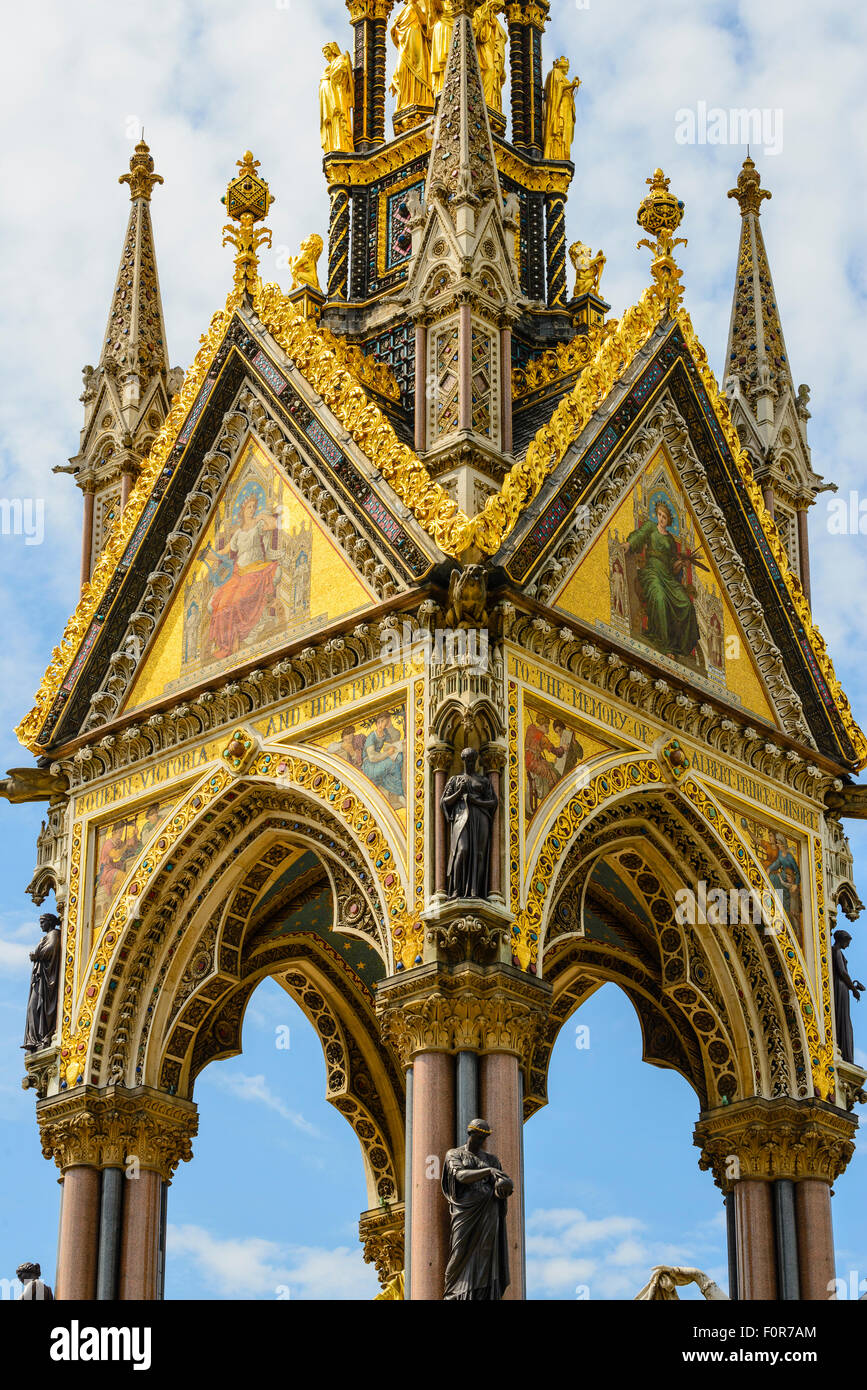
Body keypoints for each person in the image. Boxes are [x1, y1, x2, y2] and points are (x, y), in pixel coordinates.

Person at [441, 1119, 512, 1300]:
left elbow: (501, 1184)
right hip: (465, 1211)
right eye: (478, 1137)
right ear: (470, 1134)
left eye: (484, 1138)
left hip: (489, 1210)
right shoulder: (454, 1154)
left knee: (486, 1252)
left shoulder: (492, 1159)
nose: (481, 1141)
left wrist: (504, 1187)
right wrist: (488, 1171)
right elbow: (461, 1176)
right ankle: (453, 1292)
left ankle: (484, 1293)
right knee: (459, 1251)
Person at [208, 493, 282, 660]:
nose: (252, 510)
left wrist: (262, 515)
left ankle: (240, 637)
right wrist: (205, 555)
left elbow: (274, 524)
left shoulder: (258, 526)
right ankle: (226, 644)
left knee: (236, 601)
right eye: (249, 507)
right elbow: (223, 553)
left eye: (254, 507)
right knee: (221, 604)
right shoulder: (238, 534)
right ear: (243, 510)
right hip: (239, 574)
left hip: (255, 570)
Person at [627, 500, 702, 662]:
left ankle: (681, 646)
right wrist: (628, 544)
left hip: (667, 576)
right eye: (660, 515)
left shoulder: (670, 541)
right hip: (652, 571)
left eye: (665, 517)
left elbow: (673, 567)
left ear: (669, 521)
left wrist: (682, 563)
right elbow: (638, 536)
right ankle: (664, 645)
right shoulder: (650, 527)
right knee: (659, 597)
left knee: (686, 604)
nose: (661, 519)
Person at [441, 747, 498, 898]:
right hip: (461, 818)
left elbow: (493, 802)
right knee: (462, 850)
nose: (470, 763)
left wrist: (476, 801)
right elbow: (444, 803)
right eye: (468, 760)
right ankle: (456, 890)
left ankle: (475, 892)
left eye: (473, 760)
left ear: (476, 760)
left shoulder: (483, 781)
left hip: (480, 818)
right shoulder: (455, 780)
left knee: (479, 854)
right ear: (463, 760)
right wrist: (458, 792)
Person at [21, 916, 61, 1054]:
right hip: (40, 979)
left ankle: (42, 1037)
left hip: (46, 980)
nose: (40, 926)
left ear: (50, 922)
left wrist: (37, 955)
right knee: (32, 1008)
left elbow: (51, 948)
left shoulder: (54, 934)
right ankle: (34, 1040)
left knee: (36, 1007)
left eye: (42, 922)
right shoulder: (48, 936)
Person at [390, 0, 433, 110]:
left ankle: (423, 100)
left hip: (418, 42)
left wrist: (415, 6)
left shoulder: (423, 3)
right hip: (404, 46)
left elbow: (427, 25)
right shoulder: (403, 10)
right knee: (400, 71)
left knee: (419, 71)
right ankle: (405, 102)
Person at [832, 929, 864, 1064]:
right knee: (844, 1020)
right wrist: (853, 990)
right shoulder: (836, 951)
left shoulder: (836, 951)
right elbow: (843, 973)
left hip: (842, 987)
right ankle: (847, 1057)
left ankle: (847, 1055)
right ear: (842, 940)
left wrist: (854, 986)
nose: (848, 945)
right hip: (841, 988)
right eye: (848, 942)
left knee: (845, 1020)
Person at [362, 711, 406, 809]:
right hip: (369, 766)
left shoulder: (384, 734)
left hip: (378, 762)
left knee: (399, 758)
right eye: (380, 722)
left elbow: (396, 736)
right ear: (377, 723)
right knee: (392, 765)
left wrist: (390, 726)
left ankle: (393, 796)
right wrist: (387, 753)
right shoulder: (372, 736)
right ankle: (399, 795)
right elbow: (372, 757)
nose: (382, 725)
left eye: (384, 722)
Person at [543, 57, 581, 161]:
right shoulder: (555, 72)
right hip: (560, 108)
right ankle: (554, 152)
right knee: (558, 128)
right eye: (566, 67)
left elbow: (564, 87)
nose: (567, 70)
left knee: (564, 132)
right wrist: (571, 85)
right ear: (562, 66)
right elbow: (557, 87)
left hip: (566, 108)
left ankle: (561, 153)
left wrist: (572, 87)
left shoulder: (562, 76)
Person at [319, 43, 354, 153]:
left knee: (339, 119)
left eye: (326, 52)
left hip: (338, 96)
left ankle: (342, 144)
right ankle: (334, 144)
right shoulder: (329, 67)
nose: (325, 55)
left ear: (332, 50)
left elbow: (341, 73)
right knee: (333, 121)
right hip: (330, 99)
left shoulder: (341, 59)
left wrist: (330, 75)